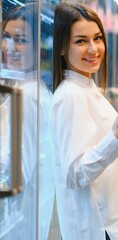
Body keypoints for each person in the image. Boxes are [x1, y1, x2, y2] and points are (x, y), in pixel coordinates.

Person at [50, 3, 118, 240]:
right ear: (62, 48)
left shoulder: (88, 90)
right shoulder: (71, 97)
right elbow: (74, 174)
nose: (93, 49)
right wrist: (117, 136)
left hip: (116, 220)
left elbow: (105, 162)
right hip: (102, 228)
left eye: (97, 38)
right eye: (80, 41)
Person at [0, 3, 55, 239]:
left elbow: (14, 173)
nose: (9, 47)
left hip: (19, 224)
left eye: (20, 40)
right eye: (5, 37)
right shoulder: (28, 88)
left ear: (39, 47)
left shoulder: (30, 96)